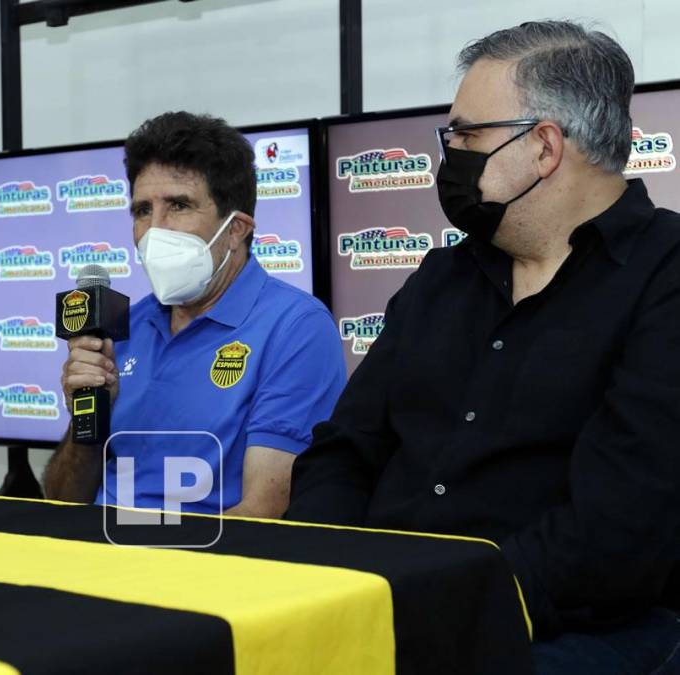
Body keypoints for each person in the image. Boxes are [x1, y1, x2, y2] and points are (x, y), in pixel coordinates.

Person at [286, 21, 680, 674]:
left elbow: (619, 531)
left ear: (544, 146)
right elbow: (343, 451)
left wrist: (438, 605)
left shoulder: (665, 275)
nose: (451, 154)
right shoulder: (441, 277)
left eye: (466, 135)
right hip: (387, 604)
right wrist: (326, 582)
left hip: (569, 626)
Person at [44, 112, 346, 518]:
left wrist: (147, 564)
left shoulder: (294, 327)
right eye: (141, 211)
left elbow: (264, 513)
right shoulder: (123, 328)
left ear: (236, 229)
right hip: (98, 554)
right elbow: (62, 503)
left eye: (179, 206)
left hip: (202, 567)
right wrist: (89, 416)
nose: (155, 230)